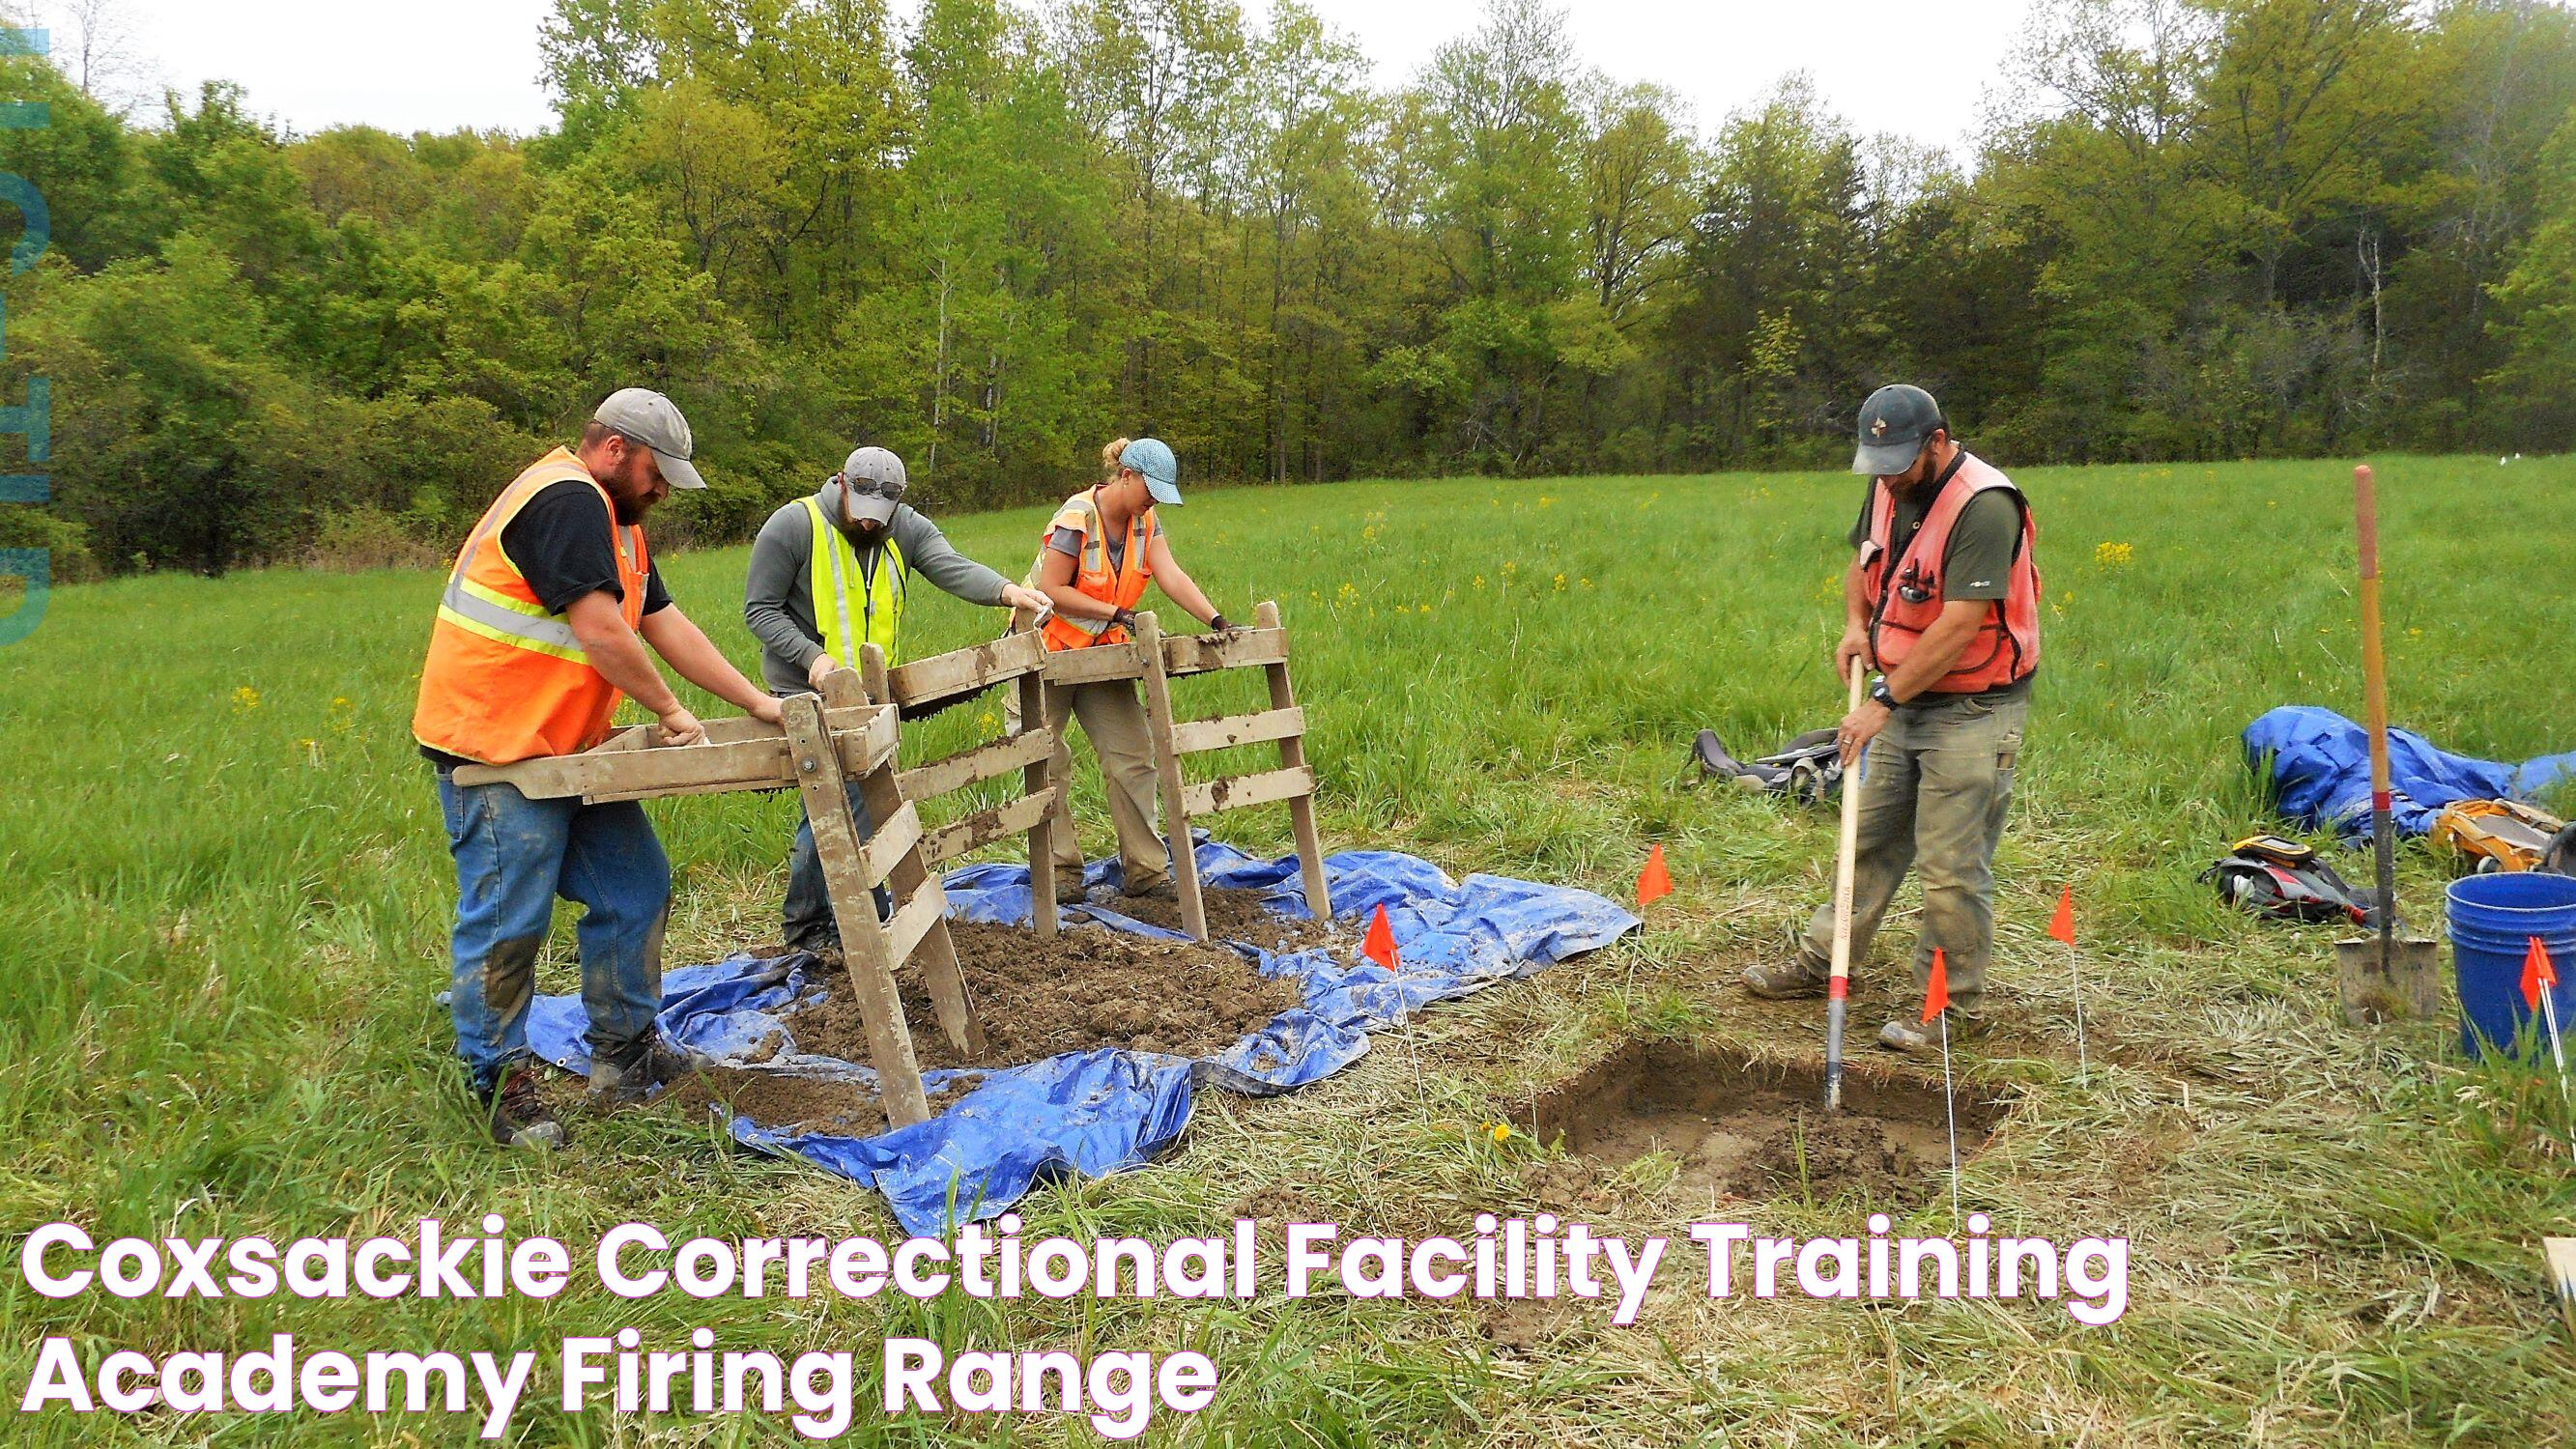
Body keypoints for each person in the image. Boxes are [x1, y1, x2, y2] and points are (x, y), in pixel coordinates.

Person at [415, 388, 786, 1149]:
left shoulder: (621, 525)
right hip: (495, 751)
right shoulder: (565, 499)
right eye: (657, 473)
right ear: (615, 449)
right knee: (507, 921)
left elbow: (661, 622)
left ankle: (622, 1051)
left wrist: (758, 702)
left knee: (634, 887)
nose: (661, 490)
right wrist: (670, 711)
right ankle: (498, 1083)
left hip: (569, 751)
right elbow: (599, 629)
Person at [1740, 384, 2042, 1052]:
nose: (1890, 476)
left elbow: (1961, 624)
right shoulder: (1887, 482)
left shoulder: (1986, 506)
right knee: (1868, 840)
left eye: (1903, 462)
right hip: (1902, 694)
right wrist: (1856, 626)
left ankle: (1949, 1005)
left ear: (1938, 442)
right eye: (1880, 463)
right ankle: (1826, 962)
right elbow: (1863, 564)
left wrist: (1882, 703)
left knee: (1951, 867)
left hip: (1972, 707)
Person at [741, 443, 1051, 953]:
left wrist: (1008, 593)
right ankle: (812, 926)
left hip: (868, 693)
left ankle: (855, 910)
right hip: (804, 689)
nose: (869, 525)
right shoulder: (792, 527)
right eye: (862, 514)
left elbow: (950, 566)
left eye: (879, 517)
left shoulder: (905, 527)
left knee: (863, 802)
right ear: (841, 484)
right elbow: (761, 610)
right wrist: (812, 660)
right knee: (834, 802)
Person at [1026, 436, 1233, 904]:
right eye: (1150, 489)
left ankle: (1145, 870)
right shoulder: (1076, 516)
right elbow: (1052, 588)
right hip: (1046, 653)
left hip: (1103, 654)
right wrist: (1115, 613)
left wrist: (1216, 618)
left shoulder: (1146, 521)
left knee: (1133, 756)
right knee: (1046, 759)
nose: (1153, 500)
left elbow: (1170, 574)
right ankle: (1060, 871)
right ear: (1126, 476)